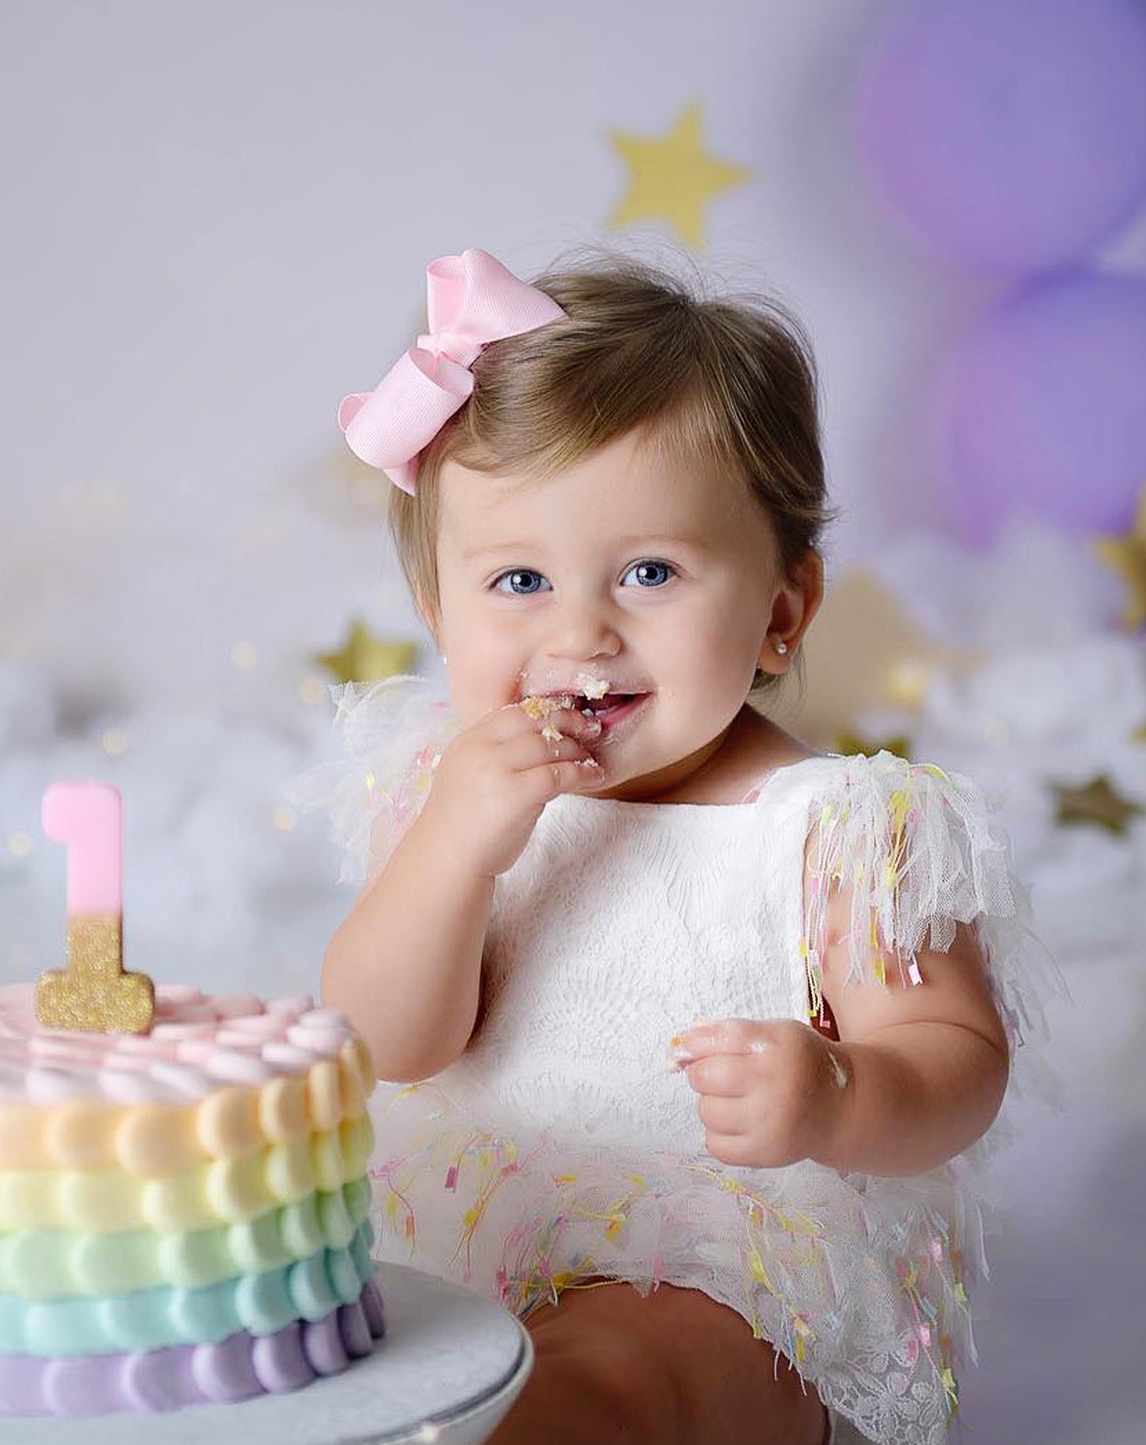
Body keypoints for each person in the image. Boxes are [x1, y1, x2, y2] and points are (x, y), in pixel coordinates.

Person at [308, 247, 1061, 1445]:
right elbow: (384, 1044)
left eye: (648, 571)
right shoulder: (454, 793)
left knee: (615, 1381)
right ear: (434, 612)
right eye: (516, 577)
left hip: (723, 1272)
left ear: (777, 612)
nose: (578, 631)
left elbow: (954, 1055)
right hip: (460, 1241)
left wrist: (840, 1092)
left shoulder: (835, 831)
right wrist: (452, 850)